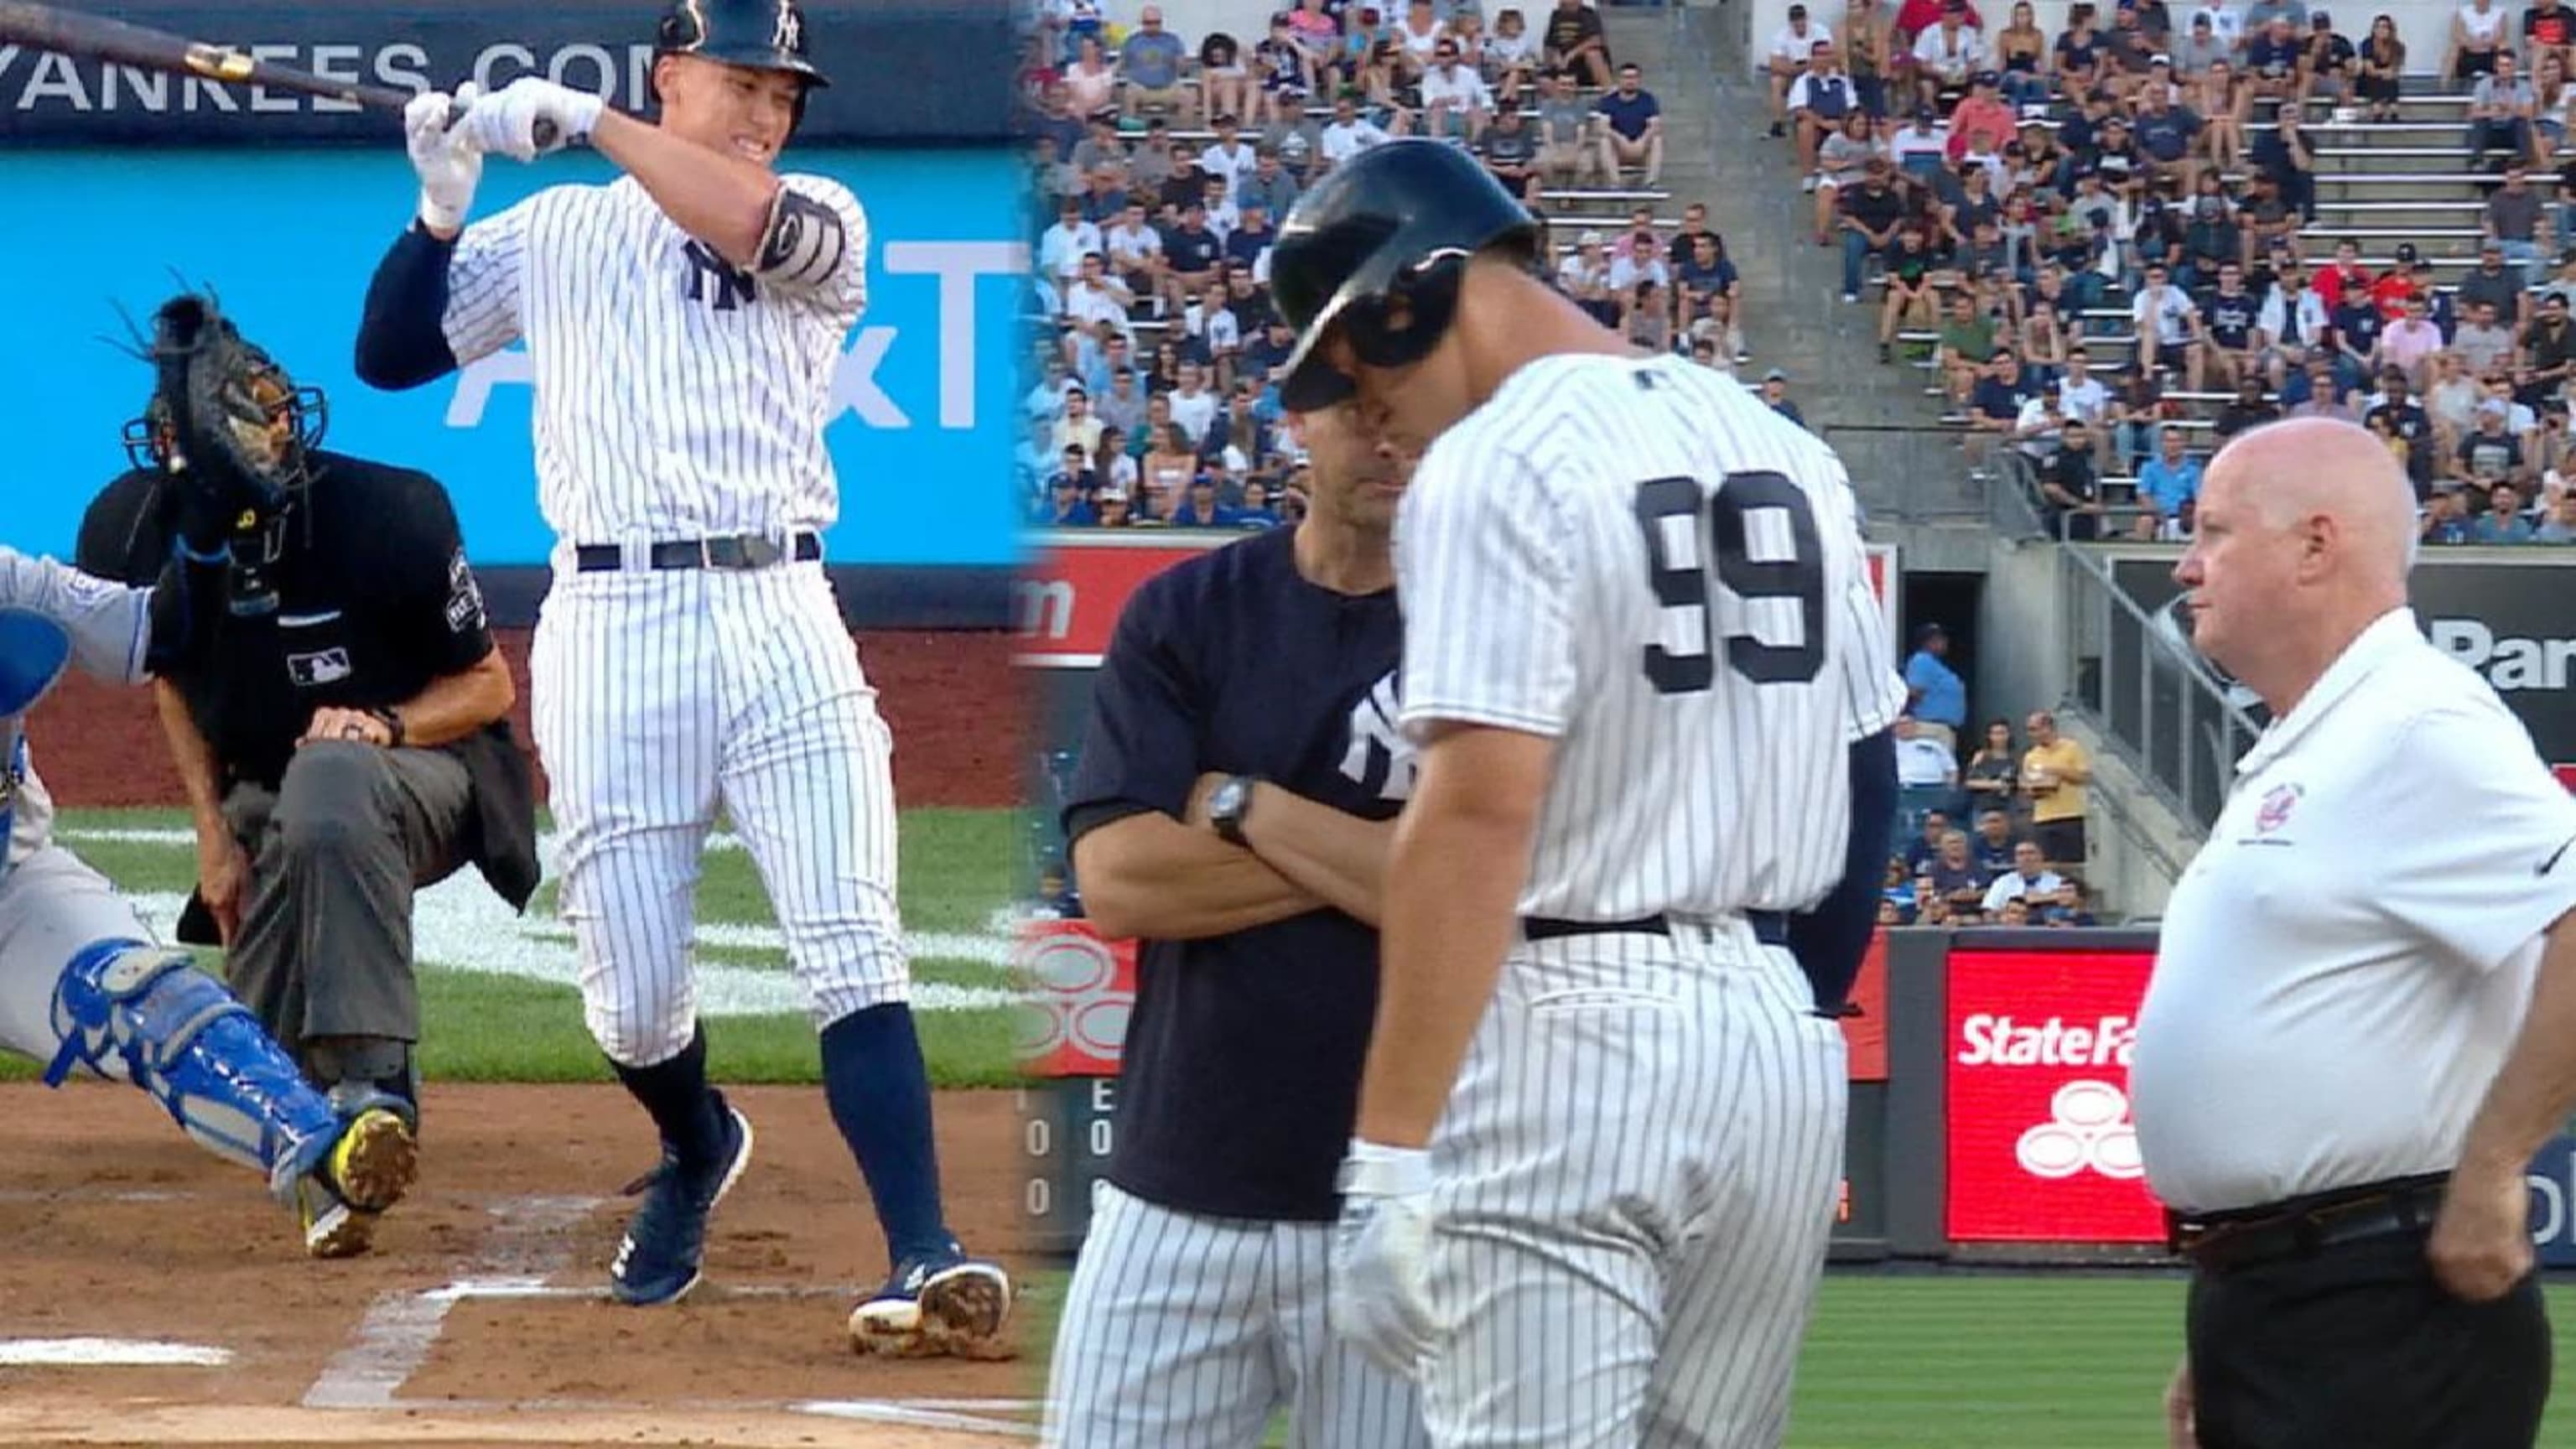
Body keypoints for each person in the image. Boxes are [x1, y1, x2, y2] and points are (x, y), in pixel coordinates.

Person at [348, 0, 1010, 1351]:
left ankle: (924, 1249)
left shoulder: (821, 213)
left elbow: (747, 222)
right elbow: (390, 359)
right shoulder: (557, 234)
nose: (771, 112)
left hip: (780, 606)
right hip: (608, 617)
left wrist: (590, 122)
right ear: (672, 74)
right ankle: (695, 1139)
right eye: (743, 83)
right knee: (632, 996)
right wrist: (438, 208)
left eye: (787, 91)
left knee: (851, 938)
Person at [1268, 140, 1904, 1447]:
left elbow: (1480, 813)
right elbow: (1869, 786)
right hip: (1775, 1035)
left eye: (1357, 361)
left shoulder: (1494, 462)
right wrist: (1803, 1012)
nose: (1366, 408)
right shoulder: (1779, 444)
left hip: (1569, 1033)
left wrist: (1388, 1150)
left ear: (1408, 297)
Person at [2133, 417, 2576, 1449]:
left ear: (2316, 545)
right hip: (2301, 1294)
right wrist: (2245, 1286)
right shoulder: (2321, 733)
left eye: (2214, 531)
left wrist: (2494, 1170)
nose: (2187, 564)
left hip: (2383, 1304)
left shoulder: (2418, 724)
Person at [76, 293, 533, 1256]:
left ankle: (374, 1081)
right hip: (265, 793)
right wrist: (212, 838)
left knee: (331, 780)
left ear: (286, 423)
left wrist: (382, 723)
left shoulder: (391, 512)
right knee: (254, 1074)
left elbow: (489, 686)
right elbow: (174, 676)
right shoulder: (133, 528)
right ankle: (321, 1128)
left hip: (428, 772)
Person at [1040, 403, 1429, 1448]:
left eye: (1416, 413)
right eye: (1363, 414)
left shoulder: (1501, 628)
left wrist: (1249, 806)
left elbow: (1487, 898)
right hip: (1179, 1191)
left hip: (1410, 1201)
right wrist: (1388, 862)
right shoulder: (1189, 611)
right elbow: (1122, 884)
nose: (1392, 441)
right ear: (1303, 420)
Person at [0, 547, 418, 1254]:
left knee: (143, 998)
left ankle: (315, 1148)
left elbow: (159, 630)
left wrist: (205, 541)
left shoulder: (9, 580)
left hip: (9, 889)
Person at [2018, 709, 2091, 871]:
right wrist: (2035, 790)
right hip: (2043, 817)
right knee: (2045, 864)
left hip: (2070, 815)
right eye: (2029, 730)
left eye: (2034, 729)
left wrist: (2055, 771)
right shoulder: (2031, 756)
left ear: (2047, 728)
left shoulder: (2072, 748)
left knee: (2072, 866)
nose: (2031, 734)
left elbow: (2084, 777)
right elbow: (2028, 787)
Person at [1903, 622, 1967, 750]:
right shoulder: (1922, 660)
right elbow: (1912, 693)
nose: (1945, 642)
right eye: (1939, 639)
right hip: (1929, 729)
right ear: (1927, 643)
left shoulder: (1936, 665)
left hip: (1941, 730)